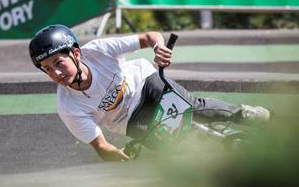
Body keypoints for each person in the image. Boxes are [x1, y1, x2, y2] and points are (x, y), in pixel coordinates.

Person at [29, 25, 270, 161]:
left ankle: (240, 114)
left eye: (59, 63)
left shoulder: (98, 50)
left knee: (188, 106)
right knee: (175, 152)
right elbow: (101, 146)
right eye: (47, 69)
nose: (56, 73)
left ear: (76, 54)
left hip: (146, 83)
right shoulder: (68, 106)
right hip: (130, 121)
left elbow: (149, 36)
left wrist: (158, 47)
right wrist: (119, 155)